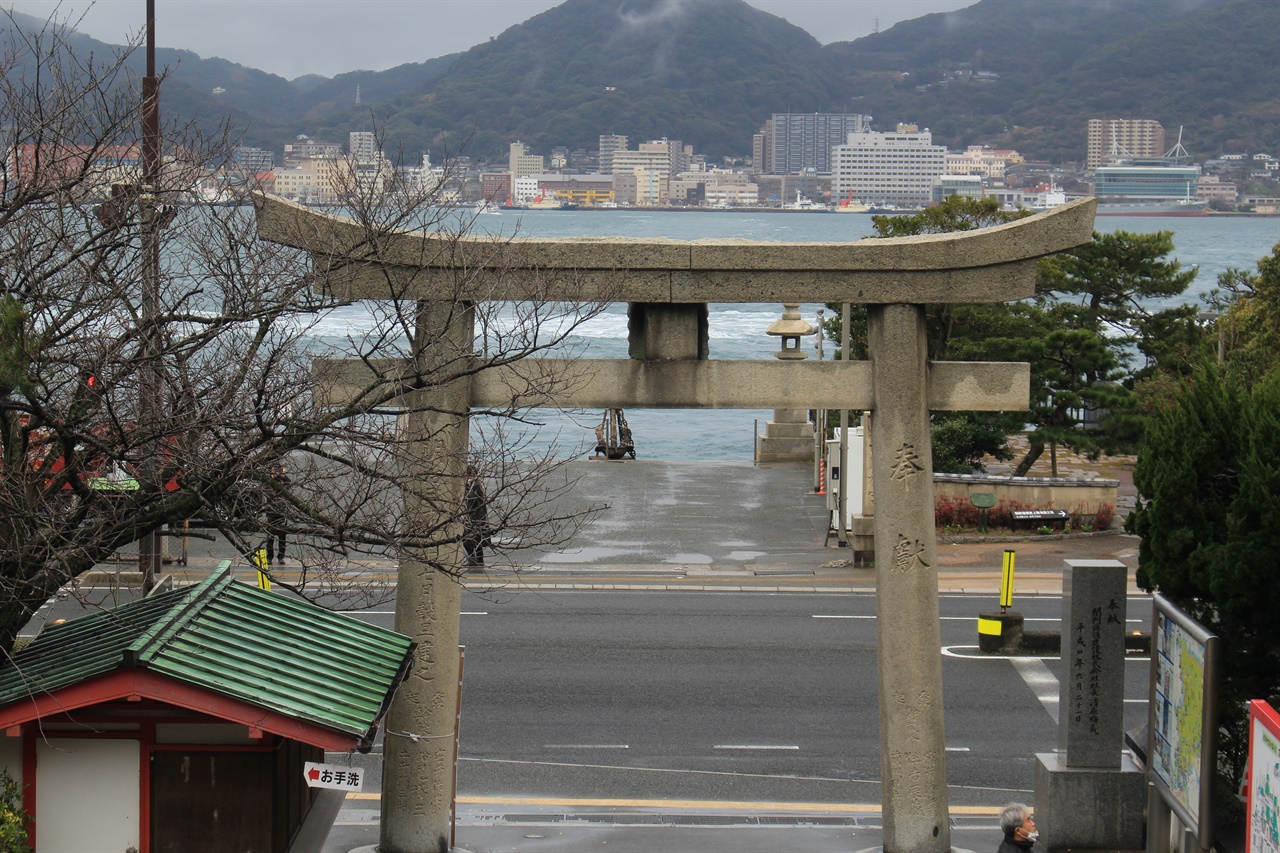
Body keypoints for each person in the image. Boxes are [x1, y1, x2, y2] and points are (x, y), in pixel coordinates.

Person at [462, 466, 492, 569]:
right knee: (471, 539)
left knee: (475, 539)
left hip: (477, 517)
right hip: (471, 517)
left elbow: (472, 498)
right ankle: (475, 559)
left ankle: (477, 560)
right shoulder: (471, 484)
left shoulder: (477, 485)